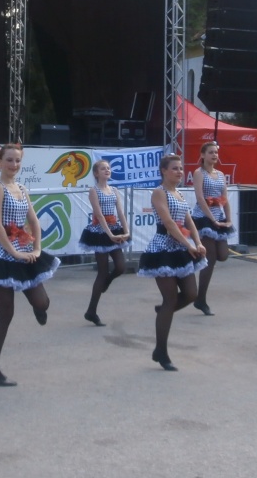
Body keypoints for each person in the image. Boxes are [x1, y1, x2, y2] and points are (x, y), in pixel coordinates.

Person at [0, 143, 59, 386]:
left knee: (42, 302)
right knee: (5, 313)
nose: (14, 165)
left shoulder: (21, 188)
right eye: (9, 160)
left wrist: (37, 248)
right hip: (1, 253)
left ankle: (39, 309)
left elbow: (34, 220)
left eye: (17, 160)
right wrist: (13, 253)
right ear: (0, 162)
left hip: (23, 248)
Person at [137, 153, 207, 371]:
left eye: (181, 168)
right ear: (164, 171)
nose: (179, 172)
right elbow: (168, 222)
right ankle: (161, 351)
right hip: (163, 249)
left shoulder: (180, 193)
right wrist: (189, 245)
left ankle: (164, 311)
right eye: (175, 168)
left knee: (191, 293)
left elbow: (189, 221)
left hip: (181, 247)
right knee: (170, 299)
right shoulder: (160, 192)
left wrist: (198, 242)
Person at [78, 159, 130, 326]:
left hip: (113, 228)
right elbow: (99, 215)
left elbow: (120, 212)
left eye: (108, 168)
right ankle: (91, 311)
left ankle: (107, 281)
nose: (107, 170)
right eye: (103, 169)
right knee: (102, 271)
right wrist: (110, 235)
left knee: (120, 266)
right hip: (100, 232)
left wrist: (126, 231)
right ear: (96, 173)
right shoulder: (94, 190)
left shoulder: (114, 190)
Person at [190, 141, 234, 316]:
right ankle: (201, 299)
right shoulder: (199, 173)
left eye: (216, 152)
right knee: (211, 257)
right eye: (210, 152)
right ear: (203, 155)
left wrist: (228, 219)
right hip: (203, 217)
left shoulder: (220, 174)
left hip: (218, 216)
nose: (214, 155)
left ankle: (194, 257)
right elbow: (200, 198)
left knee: (223, 255)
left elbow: (224, 198)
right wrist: (212, 218)